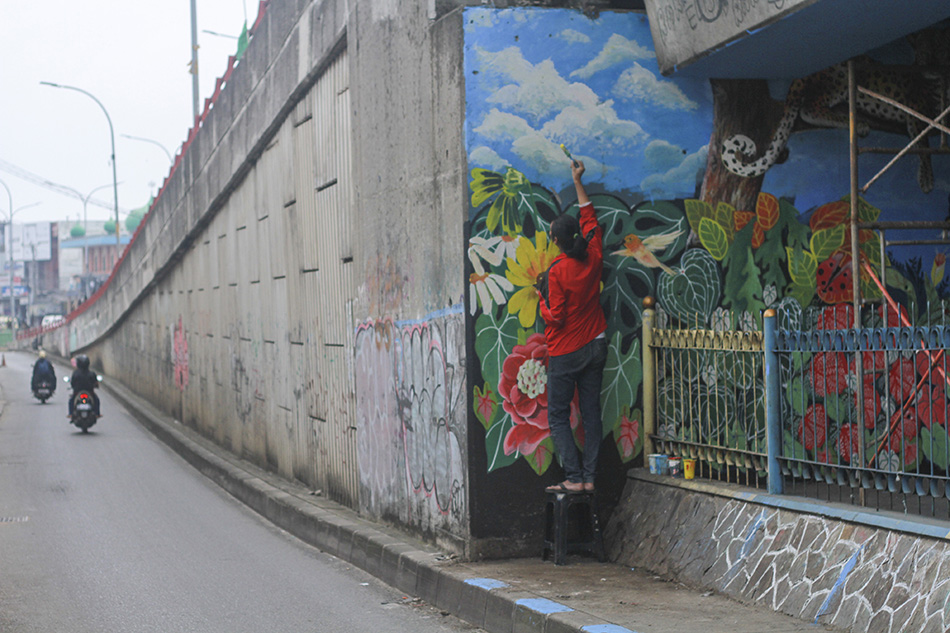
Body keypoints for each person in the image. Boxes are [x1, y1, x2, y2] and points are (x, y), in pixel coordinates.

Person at [538, 159, 608, 494]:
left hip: (566, 351)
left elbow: (555, 317)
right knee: (591, 411)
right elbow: (590, 214)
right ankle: (592, 477)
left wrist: (541, 298)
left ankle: (574, 478)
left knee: (558, 415)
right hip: (596, 343)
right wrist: (578, 181)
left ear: (555, 240)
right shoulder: (593, 253)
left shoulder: (556, 271)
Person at [68, 354, 100, 418]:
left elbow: (72, 383)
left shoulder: (75, 373)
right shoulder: (91, 373)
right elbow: (95, 383)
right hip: (89, 392)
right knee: (96, 400)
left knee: (71, 400)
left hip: (77, 392)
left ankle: (70, 414)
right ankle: (97, 413)